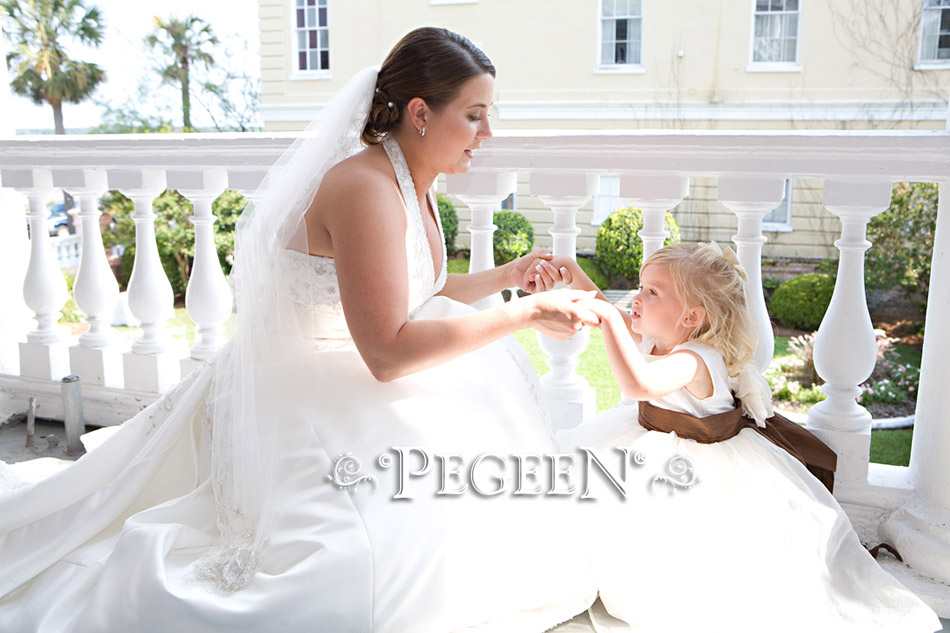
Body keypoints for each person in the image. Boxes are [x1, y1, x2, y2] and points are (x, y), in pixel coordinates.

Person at [0, 28, 600, 632]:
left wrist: (510, 277)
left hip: (346, 366)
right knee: (348, 568)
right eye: (474, 116)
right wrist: (519, 315)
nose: (486, 135)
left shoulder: (414, 181)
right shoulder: (364, 188)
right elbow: (388, 352)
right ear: (421, 113)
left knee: (470, 419)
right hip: (298, 386)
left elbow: (419, 292)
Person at [550, 243, 941, 632]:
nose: (637, 298)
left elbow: (638, 383)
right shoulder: (658, 334)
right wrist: (572, 272)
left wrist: (610, 321)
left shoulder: (694, 358)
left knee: (680, 544)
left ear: (690, 316)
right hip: (649, 439)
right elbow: (605, 312)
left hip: (698, 465)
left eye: (651, 292)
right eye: (641, 286)